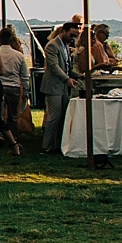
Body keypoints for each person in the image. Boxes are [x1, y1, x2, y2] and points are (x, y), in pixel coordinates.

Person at [0, 29, 28, 156]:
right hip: (14, 87)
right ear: (12, 40)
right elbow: (24, 75)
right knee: (13, 115)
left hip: (0, 85)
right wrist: (26, 90)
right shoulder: (19, 55)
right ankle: (13, 137)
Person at [41, 22, 75, 155]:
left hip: (62, 87)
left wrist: (78, 76)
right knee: (54, 116)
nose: (73, 38)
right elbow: (54, 66)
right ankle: (47, 146)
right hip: (53, 86)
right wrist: (67, 79)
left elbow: (67, 67)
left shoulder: (65, 46)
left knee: (63, 116)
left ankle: (58, 144)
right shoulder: (52, 46)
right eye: (72, 35)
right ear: (64, 31)